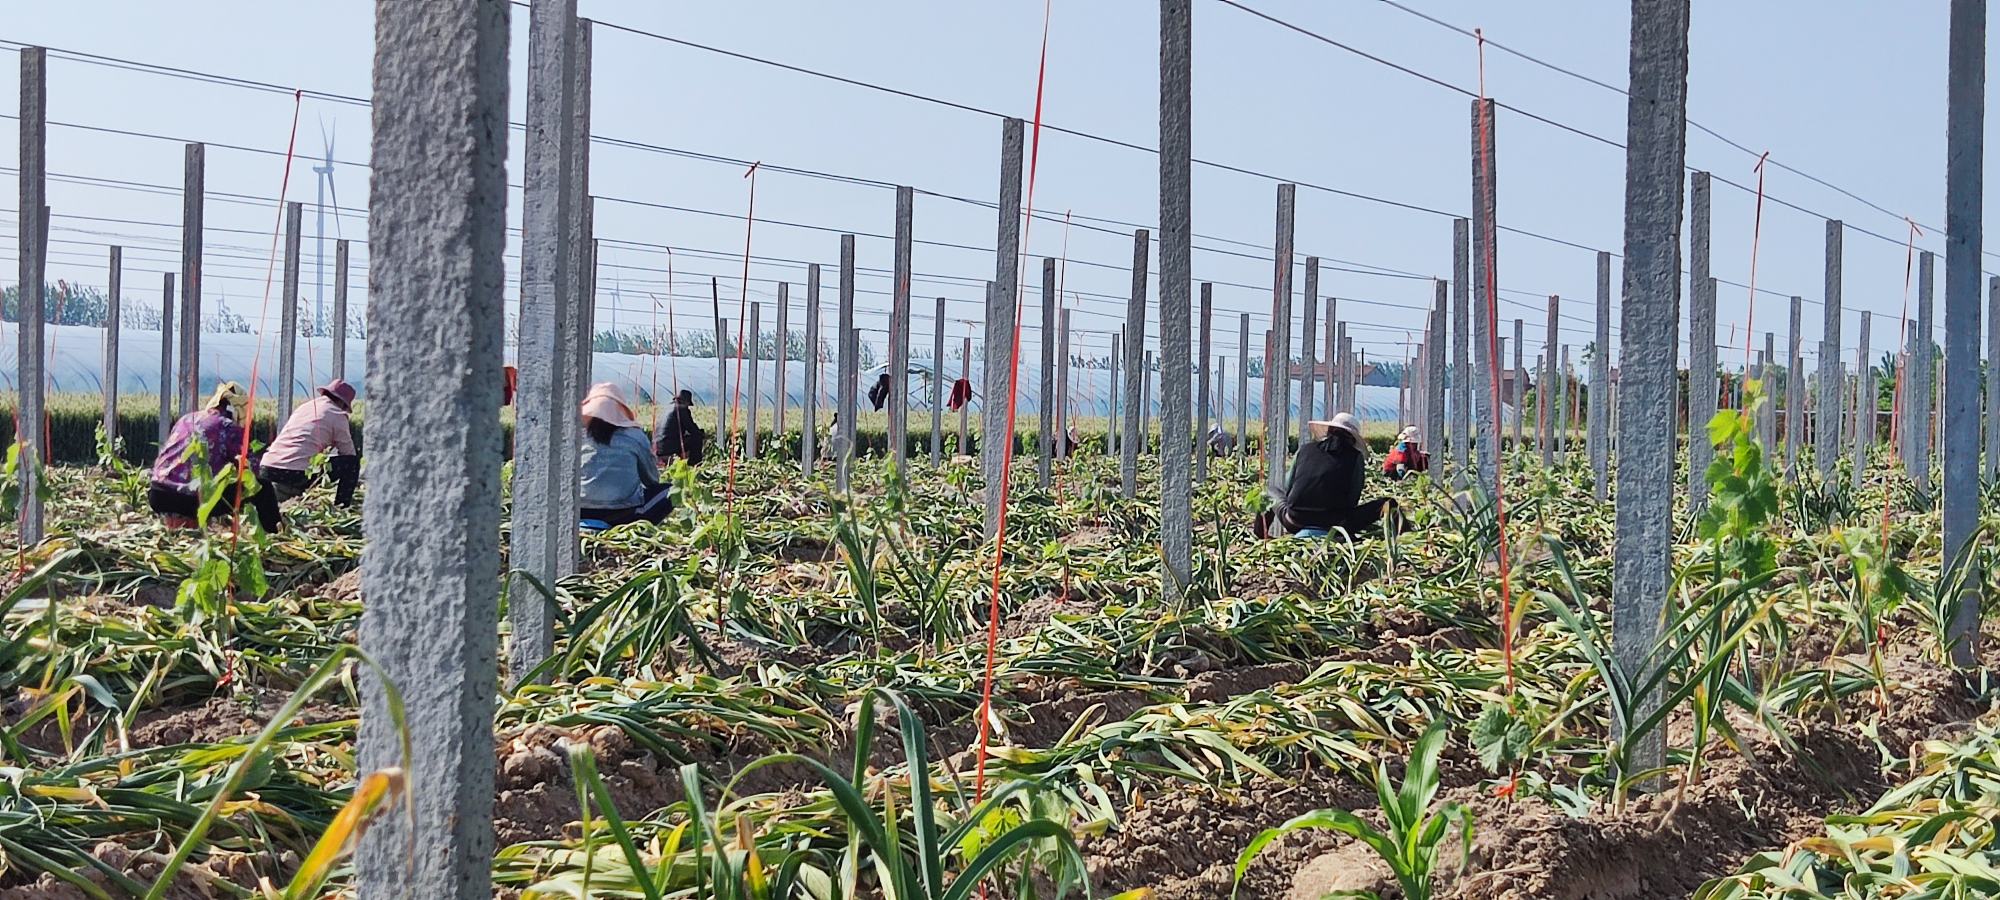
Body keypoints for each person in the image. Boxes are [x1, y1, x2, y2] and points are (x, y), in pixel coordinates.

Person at [148, 382, 274, 530]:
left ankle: (184, 526)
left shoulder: (186, 419)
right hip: (189, 499)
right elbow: (251, 468)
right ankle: (274, 532)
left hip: (157, 493)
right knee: (263, 488)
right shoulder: (229, 427)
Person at [1257, 411, 1396, 539]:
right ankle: (1403, 538)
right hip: (1336, 526)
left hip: (1294, 521)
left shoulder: (1305, 450)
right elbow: (1352, 498)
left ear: (1329, 431)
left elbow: (1289, 487)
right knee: (1389, 503)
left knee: (1269, 492)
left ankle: (1261, 535)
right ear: (1352, 438)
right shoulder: (1355, 457)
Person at [256, 378, 360, 524]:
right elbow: (348, 453)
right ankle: (341, 508)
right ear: (343, 403)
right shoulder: (337, 415)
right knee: (352, 464)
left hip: (267, 468)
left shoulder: (305, 407)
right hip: (295, 473)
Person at [581, 383, 673, 527]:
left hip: (579, 510)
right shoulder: (635, 436)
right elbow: (651, 480)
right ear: (621, 410)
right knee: (672, 491)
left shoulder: (577, 437)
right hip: (622, 514)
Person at [653, 389, 707, 465]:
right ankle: (695, 464)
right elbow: (692, 429)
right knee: (697, 438)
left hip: (657, 446)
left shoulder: (667, 409)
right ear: (686, 401)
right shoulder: (681, 409)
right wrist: (701, 433)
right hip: (669, 446)